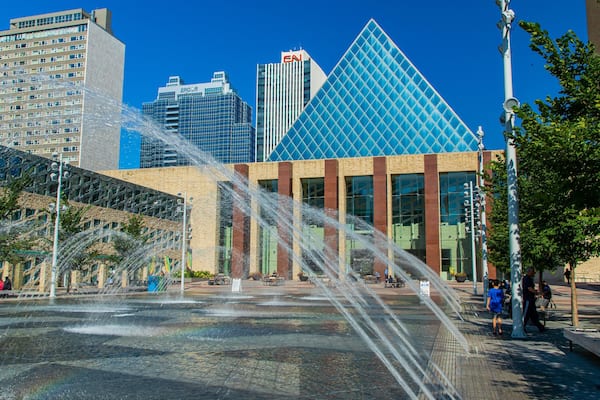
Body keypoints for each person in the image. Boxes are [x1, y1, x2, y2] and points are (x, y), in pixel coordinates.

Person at [522, 267, 545, 333]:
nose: (534, 273)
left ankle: (540, 327)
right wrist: (536, 292)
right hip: (528, 299)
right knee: (526, 314)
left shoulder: (530, 279)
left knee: (533, 314)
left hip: (531, 299)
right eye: (533, 272)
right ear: (529, 272)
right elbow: (529, 288)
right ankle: (522, 327)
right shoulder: (526, 279)